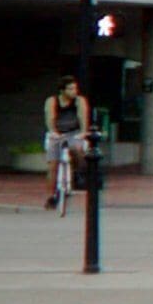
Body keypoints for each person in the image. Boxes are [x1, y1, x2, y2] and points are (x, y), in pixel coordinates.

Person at [44, 81, 89, 211]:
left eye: (75, 88)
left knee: (77, 149)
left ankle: (78, 173)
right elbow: (50, 118)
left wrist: (83, 132)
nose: (74, 91)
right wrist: (54, 132)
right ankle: (52, 196)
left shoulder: (79, 101)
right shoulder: (52, 101)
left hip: (74, 133)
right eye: (70, 89)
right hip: (57, 133)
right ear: (62, 90)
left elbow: (83, 117)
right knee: (53, 165)